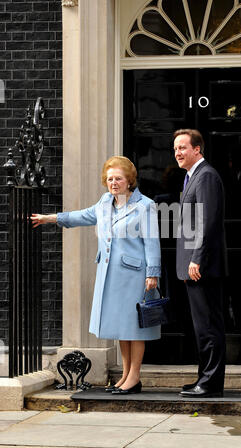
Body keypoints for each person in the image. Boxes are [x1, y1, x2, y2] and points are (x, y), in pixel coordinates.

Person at [31, 156, 161, 395]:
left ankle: (135, 377)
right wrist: (50, 218)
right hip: (111, 275)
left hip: (135, 275)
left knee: (135, 328)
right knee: (122, 328)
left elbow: (152, 242)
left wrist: (153, 274)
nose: (113, 183)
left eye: (118, 179)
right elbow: (81, 216)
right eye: (110, 179)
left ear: (129, 180)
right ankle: (124, 376)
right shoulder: (104, 203)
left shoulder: (145, 205)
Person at [173, 129, 227, 398]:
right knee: (201, 326)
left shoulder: (206, 176)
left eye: (182, 147)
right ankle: (203, 378)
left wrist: (196, 259)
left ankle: (210, 383)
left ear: (198, 149)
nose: (178, 153)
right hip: (194, 266)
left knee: (208, 327)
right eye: (175, 149)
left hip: (202, 267)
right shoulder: (191, 177)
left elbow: (208, 222)